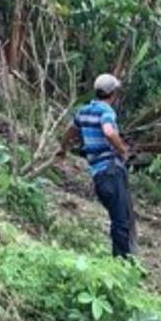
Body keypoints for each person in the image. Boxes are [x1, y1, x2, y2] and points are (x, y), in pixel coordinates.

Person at [61, 73, 136, 257]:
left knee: (117, 218)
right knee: (121, 220)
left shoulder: (83, 111)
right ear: (113, 94)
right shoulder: (106, 111)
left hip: (97, 172)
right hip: (110, 168)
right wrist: (122, 150)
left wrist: (63, 148)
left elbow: (70, 130)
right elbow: (109, 132)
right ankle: (122, 263)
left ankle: (121, 260)